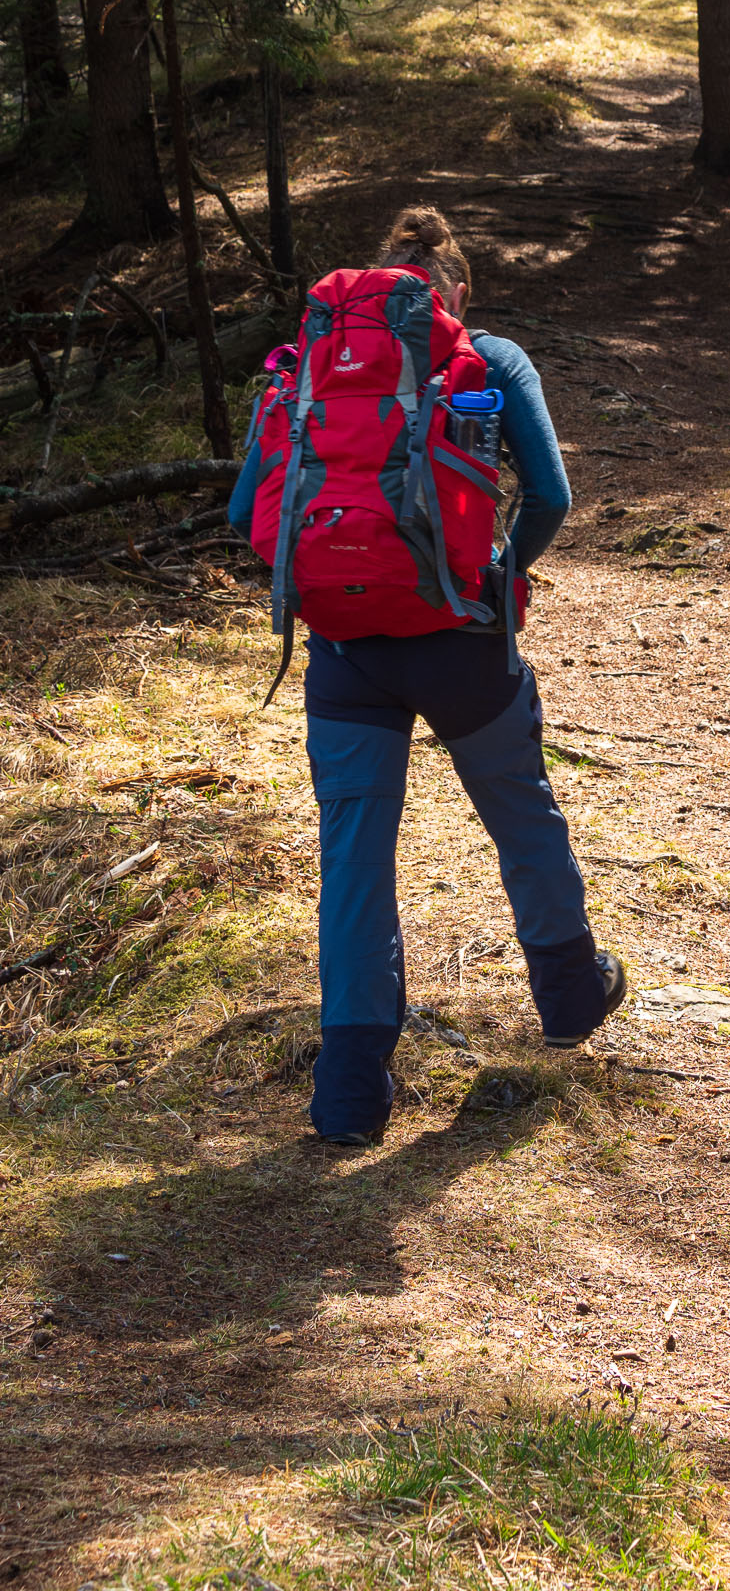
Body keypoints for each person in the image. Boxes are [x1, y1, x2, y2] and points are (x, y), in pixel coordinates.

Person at [228, 205, 625, 1146]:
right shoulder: (493, 359)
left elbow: (250, 507)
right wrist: (496, 577)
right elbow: (552, 497)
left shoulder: (314, 369)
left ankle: (351, 1093)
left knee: (355, 862)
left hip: (345, 654)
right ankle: (570, 997)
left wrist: (345, 581)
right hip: (460, 642)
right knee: (520, 812)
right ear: (451, 293)